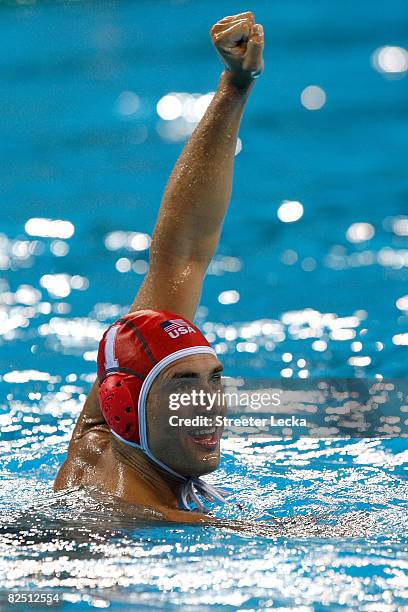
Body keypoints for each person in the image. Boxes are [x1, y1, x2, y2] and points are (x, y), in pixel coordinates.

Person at [54, 11, 265, 524]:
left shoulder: (109, 435)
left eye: (213, 379)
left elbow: (182, 252)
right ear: (124, 407)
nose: (207, 404)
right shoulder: (114, 512)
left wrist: (235, 86)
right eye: (182, 385)